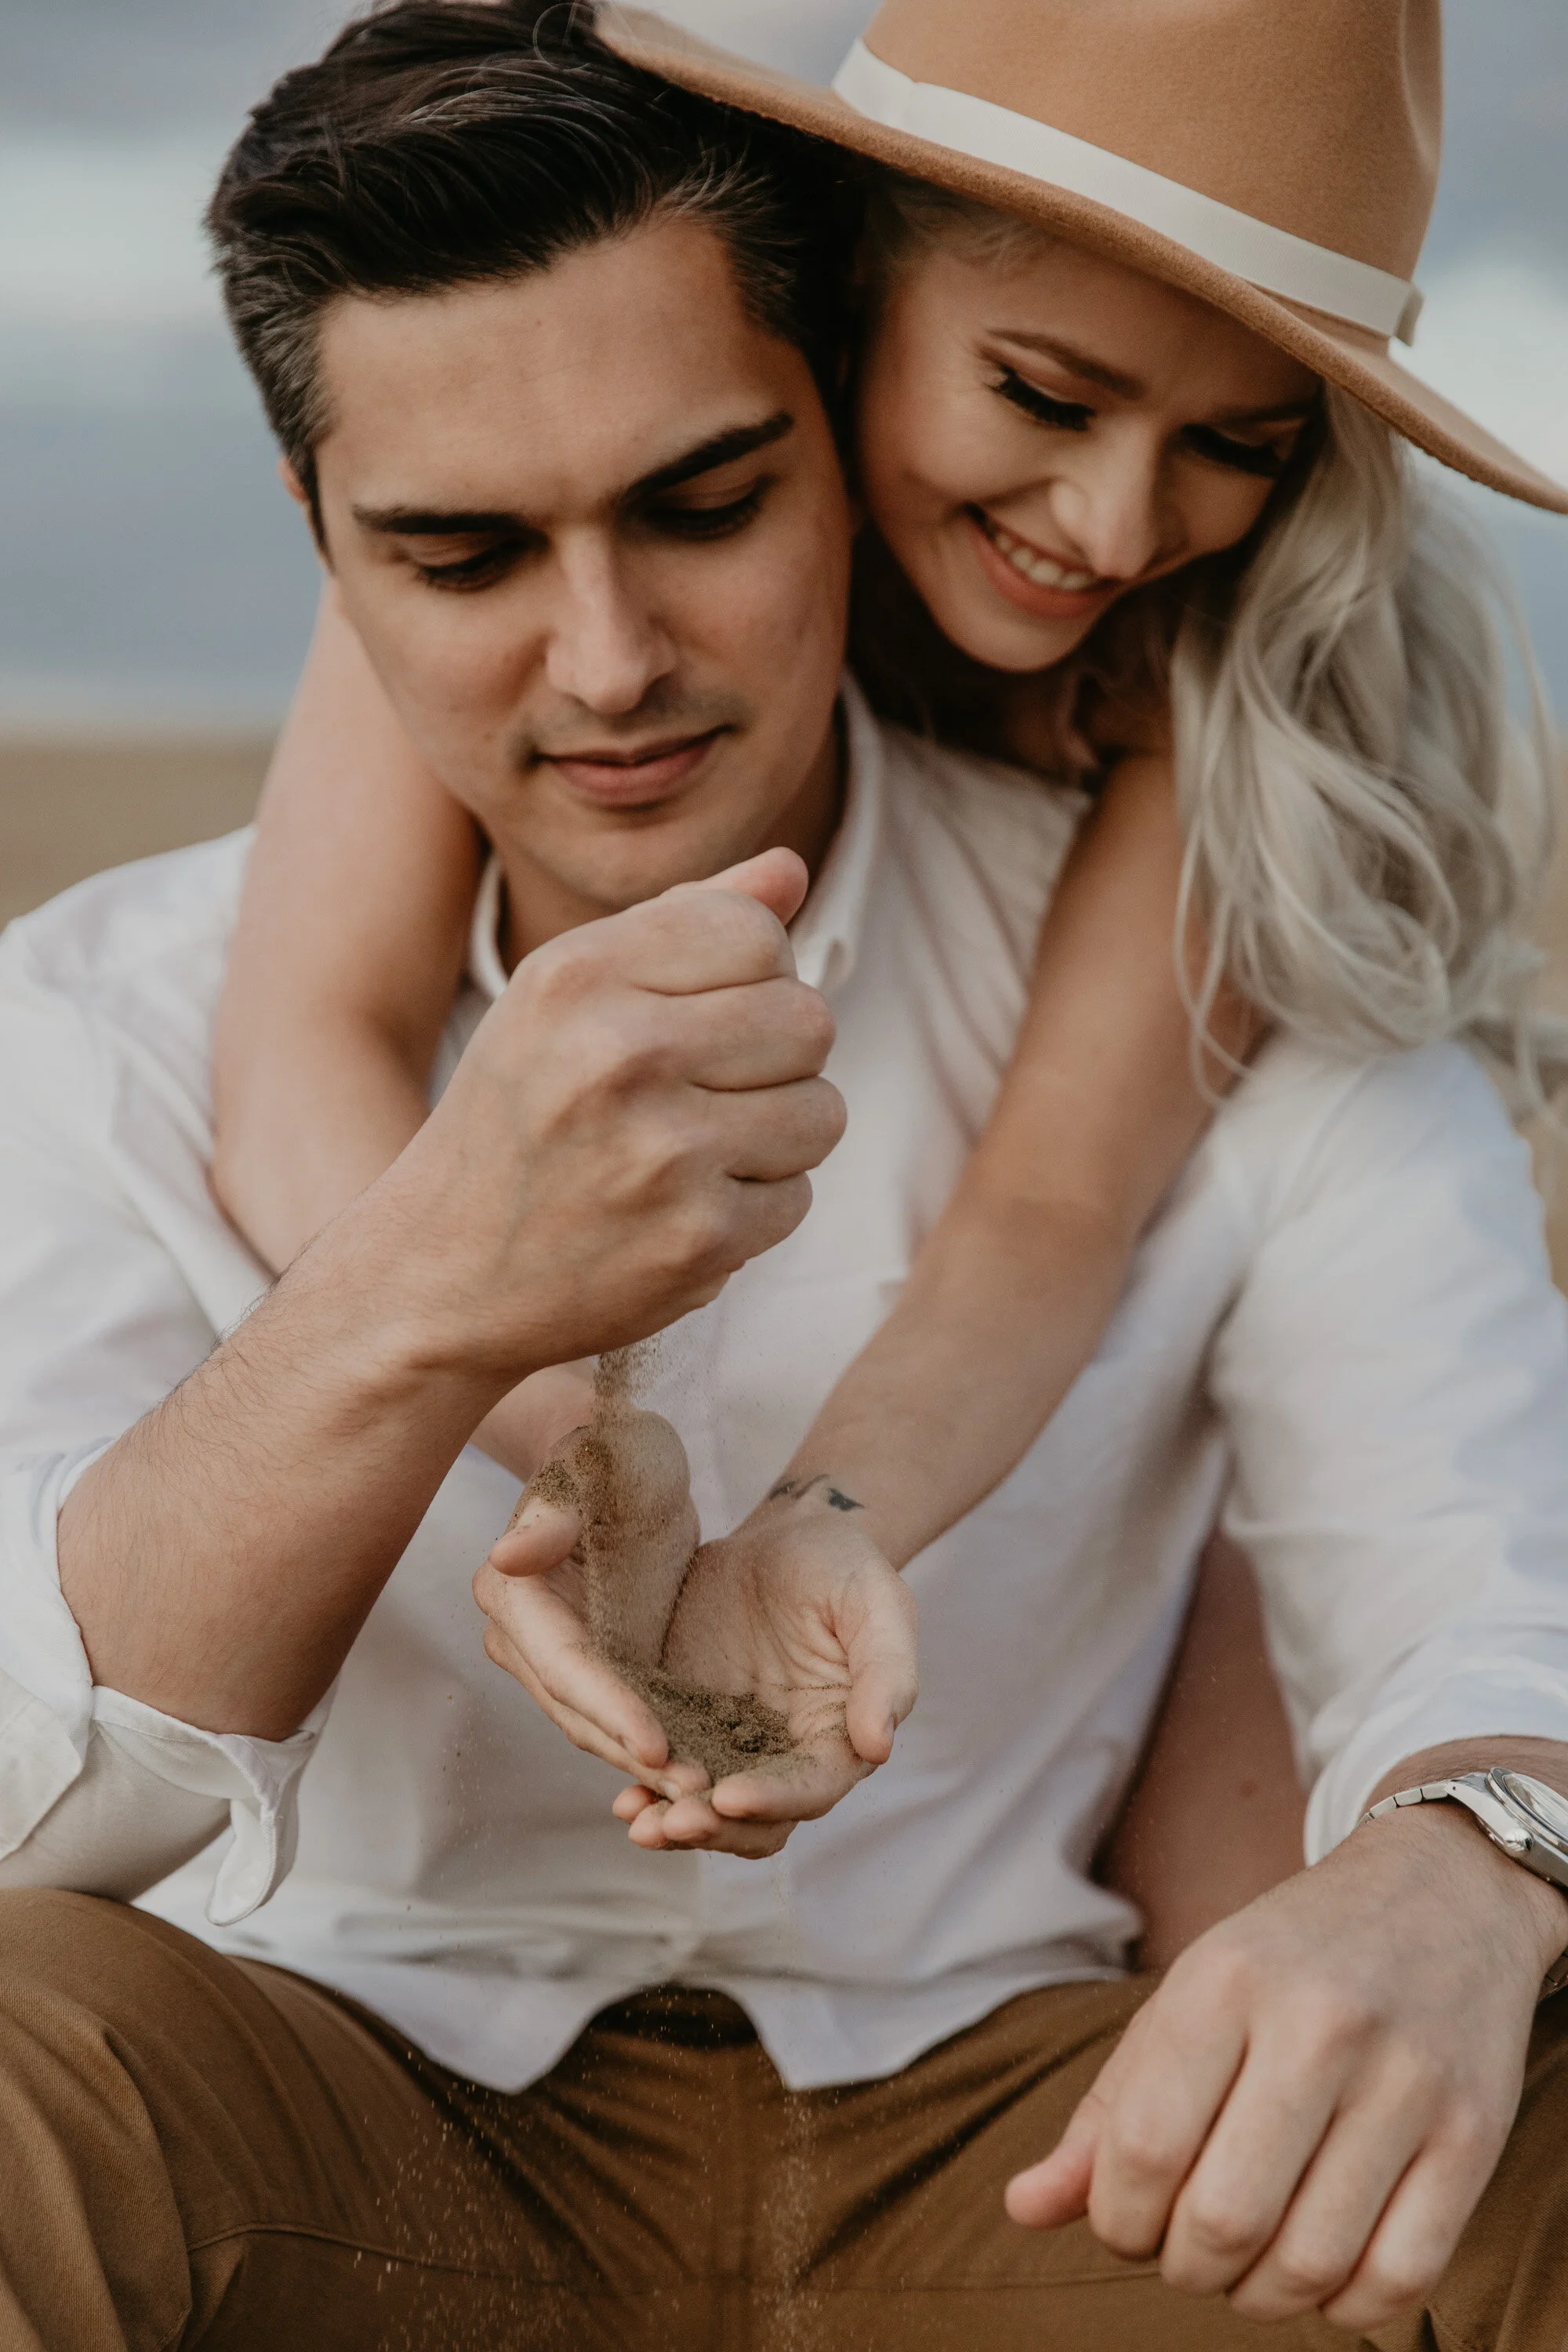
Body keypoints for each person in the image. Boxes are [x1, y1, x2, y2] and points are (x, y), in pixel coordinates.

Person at [2, 5, 1568, 2347]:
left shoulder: (1227, 870)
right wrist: (454, 1314)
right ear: (332, 544)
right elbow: (33, 1797)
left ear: (816, 405)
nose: (607, 660)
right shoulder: (109, 1019)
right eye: (461, 550)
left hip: (1017, 2128)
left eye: (704, 505)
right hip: (342, 2084)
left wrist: (1472, 1860)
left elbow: (1472, 1557)